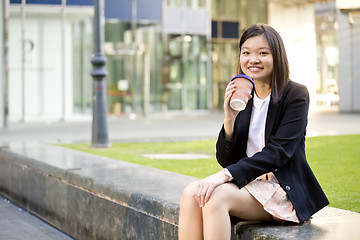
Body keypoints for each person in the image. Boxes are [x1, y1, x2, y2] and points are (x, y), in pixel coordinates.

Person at [178, 23, 329, 240]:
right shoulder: (244, 96)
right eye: (246, 52)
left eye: (262, 53)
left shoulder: (295, 94)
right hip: (249, 184)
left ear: (276, 56)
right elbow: (226, 159)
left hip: (282, 189)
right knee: (191, 194)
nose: (253, 59)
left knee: (215, 197)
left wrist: (219, 178)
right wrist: (229, 120)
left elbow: (279, 152)